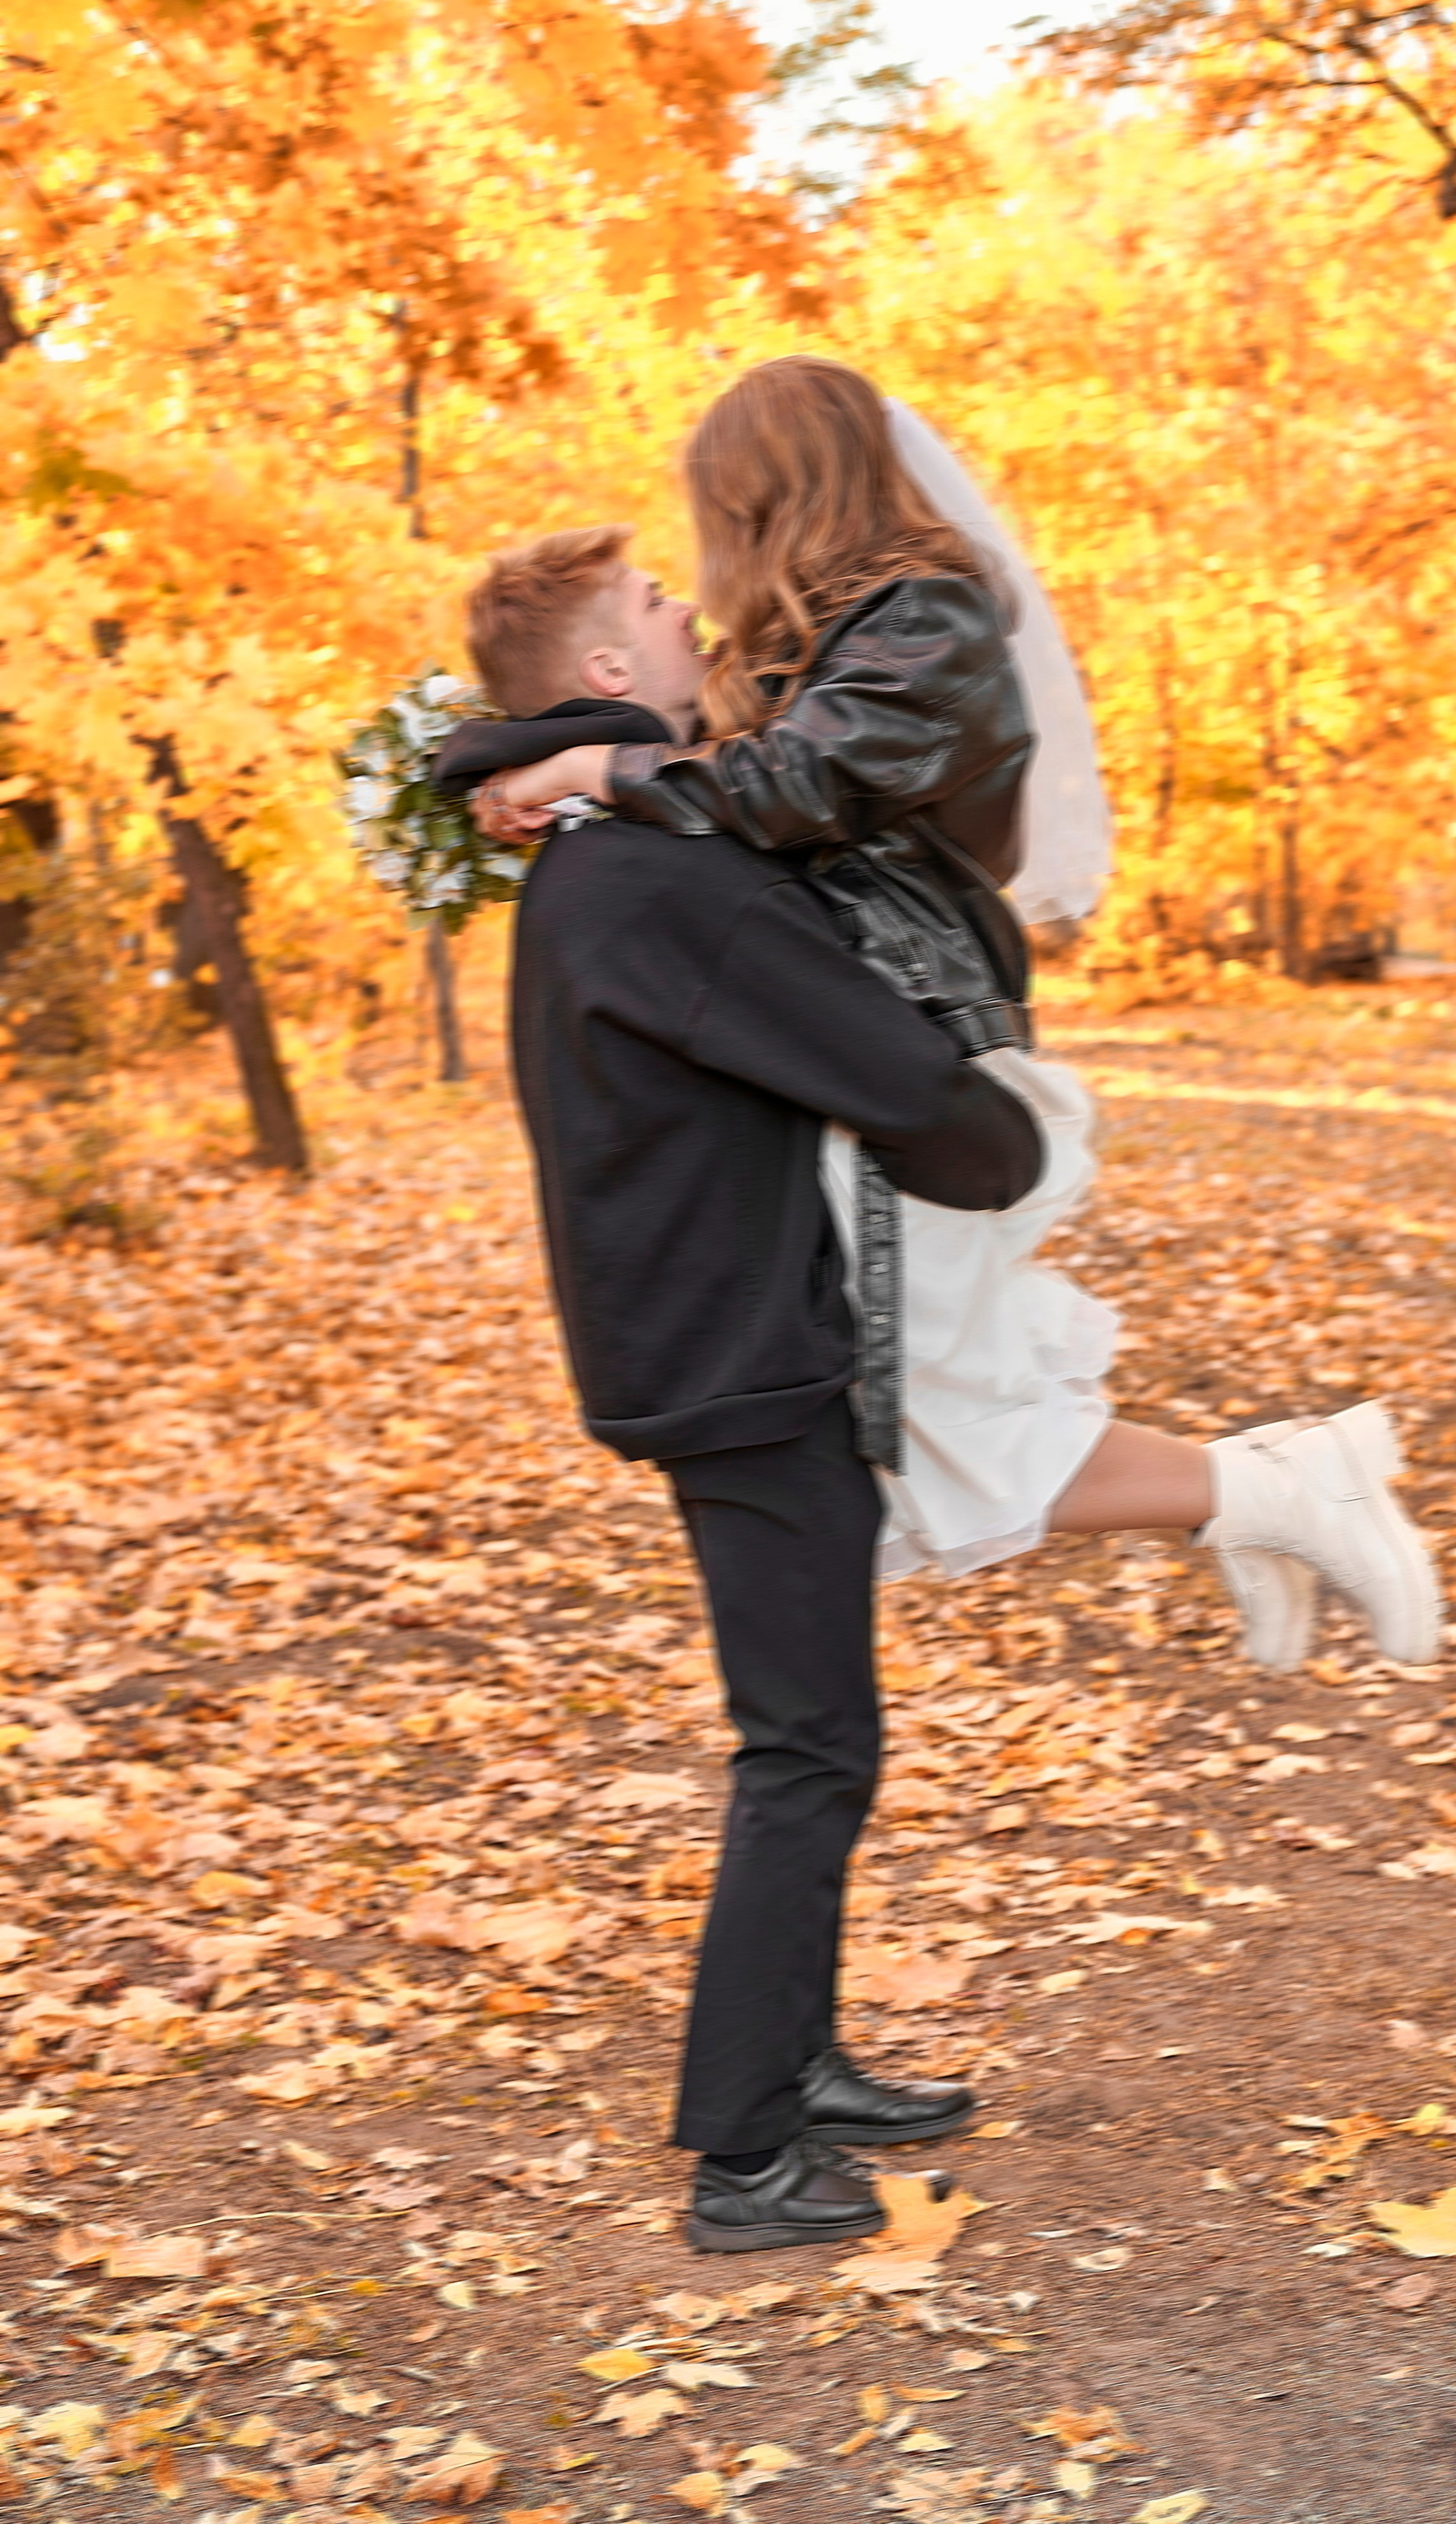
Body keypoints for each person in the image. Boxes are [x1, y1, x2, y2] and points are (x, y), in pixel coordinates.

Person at [465, 357, 1442, 1678]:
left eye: (715, 515)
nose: (699, 567)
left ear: (772, 492)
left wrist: (597, 760)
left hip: (920, 1035)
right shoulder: (846, 634)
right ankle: (1265, 1490)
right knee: (935, 1418)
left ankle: (1275, 1493)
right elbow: (741, 777)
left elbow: (790, 782)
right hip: (870, 1032)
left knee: (934, 1421)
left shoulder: (925, 621)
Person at [457, 522, 1047, 2251]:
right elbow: (870, 1061)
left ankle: (800, 2065)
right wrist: (998, 1134)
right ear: (603, 678)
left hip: (700, 1333)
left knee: (814, 1736)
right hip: (731, 1357)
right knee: (808, 1750)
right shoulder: (652, 876)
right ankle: (741, 2155)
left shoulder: (600, 847)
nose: (688, 614)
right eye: (654, 609)